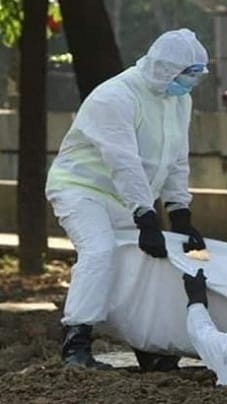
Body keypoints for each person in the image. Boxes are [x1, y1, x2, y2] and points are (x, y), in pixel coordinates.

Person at [45, 28, 209, 368]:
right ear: (166, 68)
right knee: (99, 251)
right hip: (82, 188)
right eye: (189, 74)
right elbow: (123, 161)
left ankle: (147, 345)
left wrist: (180, 211)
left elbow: (177, 157)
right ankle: (76, 343)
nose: (192, 82)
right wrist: (145, 215)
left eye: (197, 75)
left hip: (126, 198)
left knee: (140, 266)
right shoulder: (115, 97)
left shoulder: (178, 99)